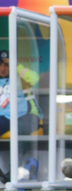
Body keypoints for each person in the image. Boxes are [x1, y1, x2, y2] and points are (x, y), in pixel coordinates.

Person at [0, 49, 44, 183]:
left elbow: (35, 78)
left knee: (20, 134)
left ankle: (16, 171)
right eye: (0, 64)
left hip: (27, 115)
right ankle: (3, 175)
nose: (3, 68)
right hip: (5, 117)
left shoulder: (21, 77)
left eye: (6, 65)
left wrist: (16, 66)